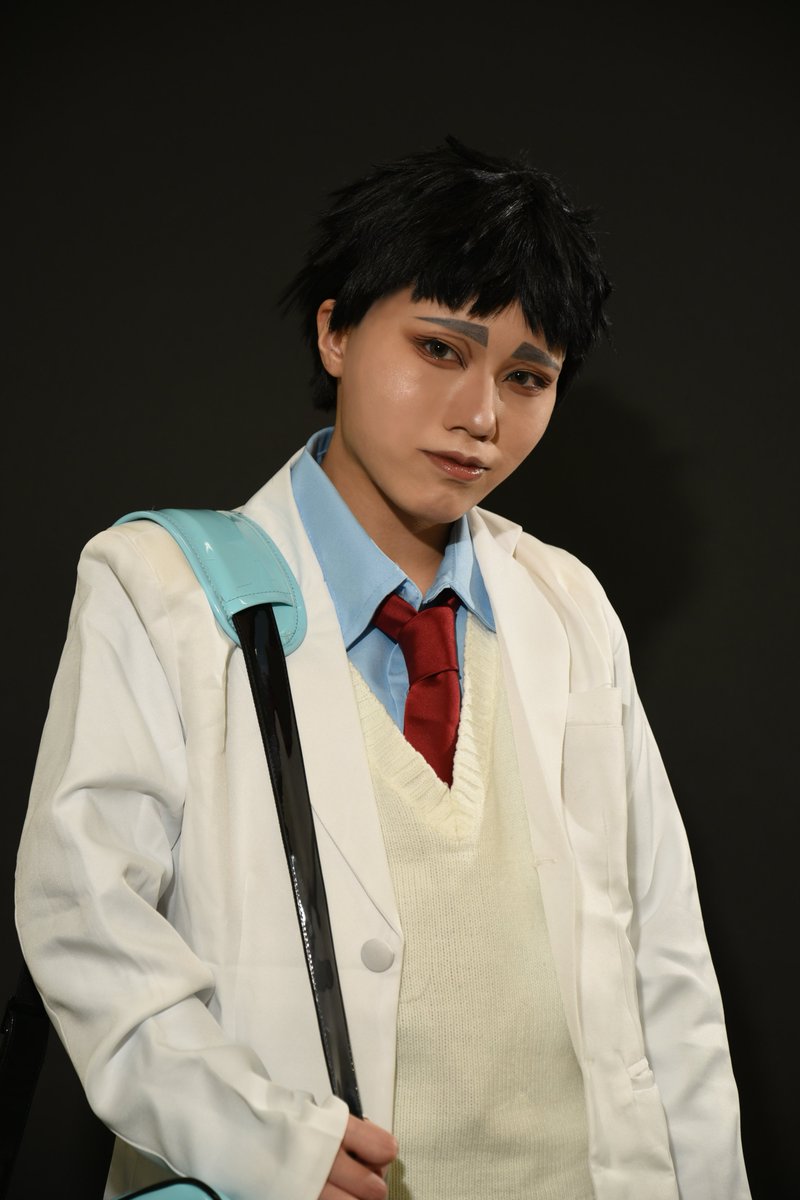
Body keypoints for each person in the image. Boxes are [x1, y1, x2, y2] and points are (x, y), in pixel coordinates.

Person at [15, 139, 750, 1200]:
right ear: (335, 331)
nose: (481, 416)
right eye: (440, 349)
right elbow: (85, 920)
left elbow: (667, 963)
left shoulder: (566, 603)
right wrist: (261, 1141)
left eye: (527, 377)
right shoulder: (161, 586)